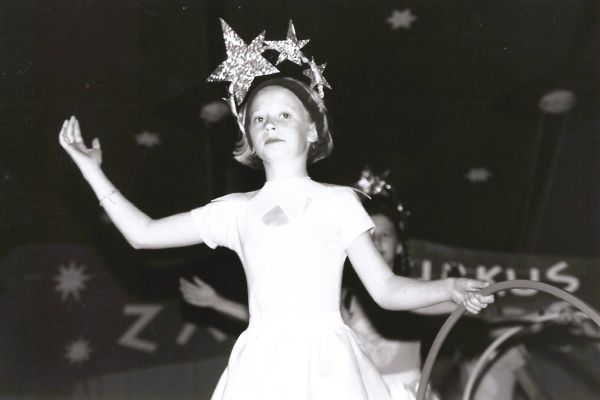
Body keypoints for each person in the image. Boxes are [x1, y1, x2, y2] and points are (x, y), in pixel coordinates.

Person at [59, 76, 493, 400]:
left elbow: (386, 289)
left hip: (328, 364)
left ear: (312, 131)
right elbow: (143, 234)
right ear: (250, 138)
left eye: (285, 114)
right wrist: (91, 170)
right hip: (260, 365)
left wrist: (451, 287)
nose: (270, 123)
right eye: (259, 118)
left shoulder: (339, 202)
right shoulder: (233, 211)